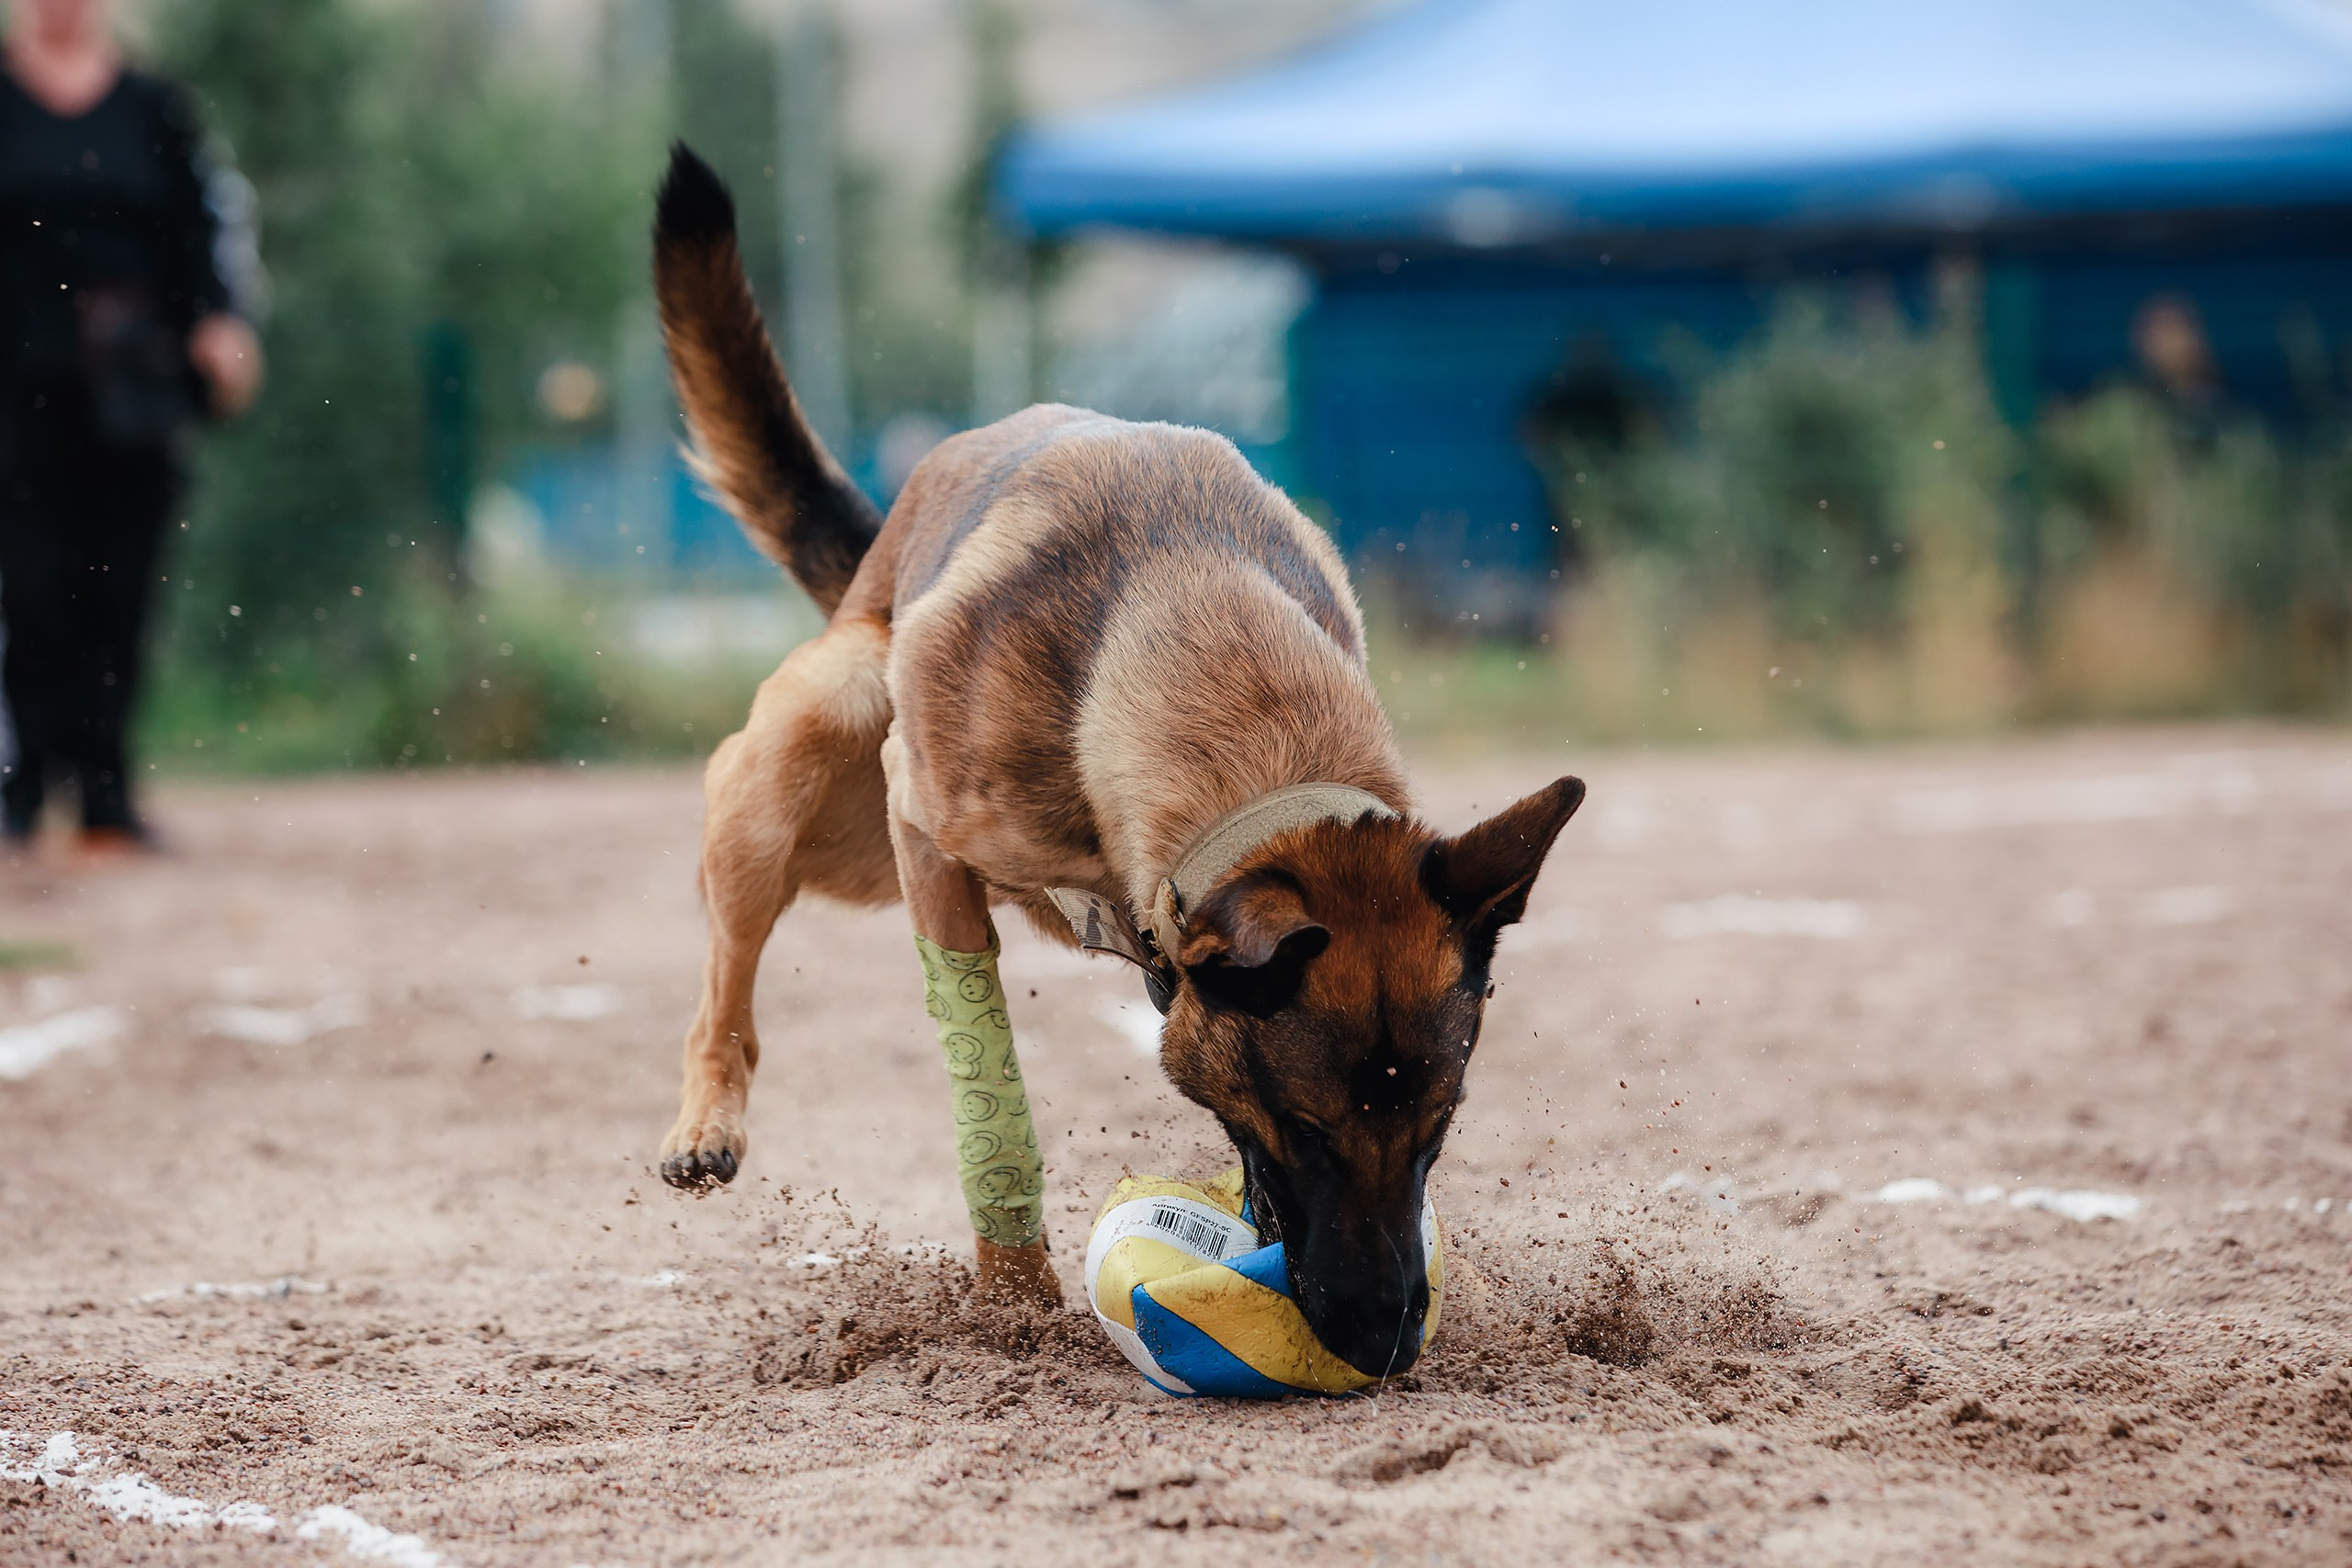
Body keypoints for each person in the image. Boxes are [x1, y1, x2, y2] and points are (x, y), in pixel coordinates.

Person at [0, 0, 260, 854]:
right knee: (29, 588)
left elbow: (204, 226)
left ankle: (105, 791)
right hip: (15, 386)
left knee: (120, 587)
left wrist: (221, 322)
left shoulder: (158, 108)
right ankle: (23, 786)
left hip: (133, 385)